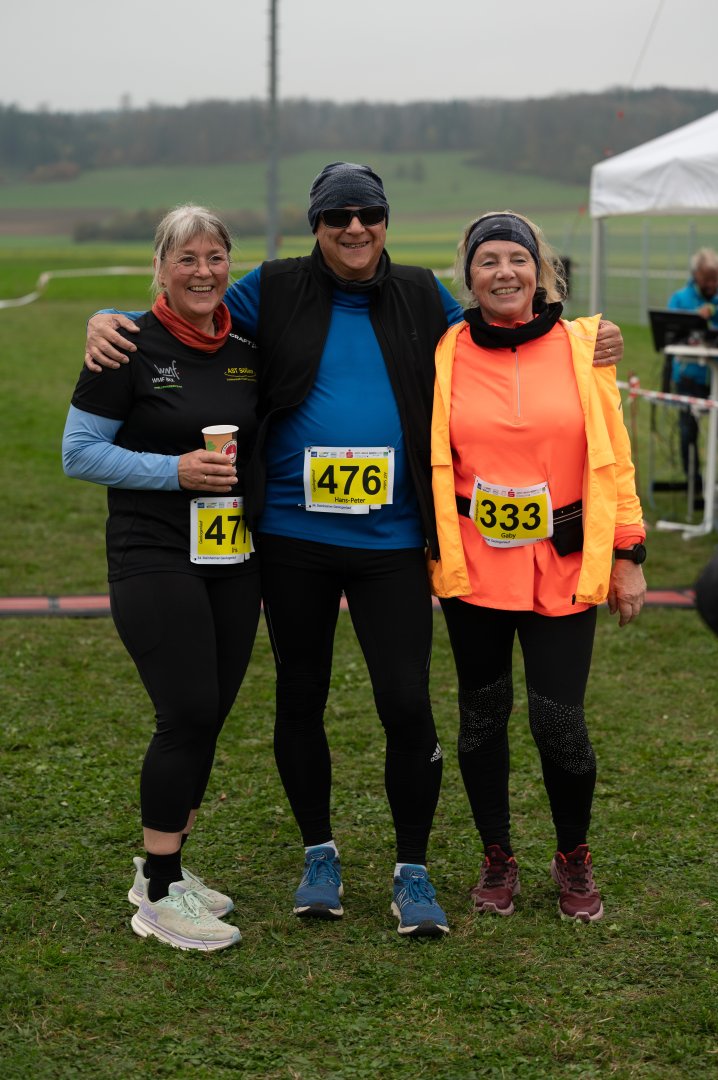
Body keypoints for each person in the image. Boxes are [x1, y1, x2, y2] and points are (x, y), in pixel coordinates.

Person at [83, 164, 624, 938]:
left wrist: (581, 336)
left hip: (393, 540)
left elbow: (499, 329)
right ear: (317, 225)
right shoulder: (272, 287)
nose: (354, 227)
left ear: (386, 220)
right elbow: (187, 307)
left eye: (368, 212)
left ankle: (412, 868)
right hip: (293, 539)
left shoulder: (420, 293)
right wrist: (108, 318)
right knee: (300, 698)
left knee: (405, 702)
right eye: (337, 215)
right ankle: (319, 854)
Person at [429, 211, 646, 924]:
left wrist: (629, 553)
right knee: (482, 717)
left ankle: (573, 855)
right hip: (476, 568)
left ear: (540, 270)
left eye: (517, 259)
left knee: (560, 722)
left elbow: (615, 458)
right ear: (469, 276)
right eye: (488, 260)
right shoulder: (446, 349)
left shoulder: (585, 347)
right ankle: (497, 855)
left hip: (563, 563)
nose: (504, 272)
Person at [62, 205, 261, 951]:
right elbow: (79, 452)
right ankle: (158, 894)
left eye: (214, 257)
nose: (203, 272)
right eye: (186, 259)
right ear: (160, 268)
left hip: (230, 553)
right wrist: (172, 471)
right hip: (151, 549)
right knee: (186, 712)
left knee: (210, 713)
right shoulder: (125, 345)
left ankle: (164, 872)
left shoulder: (246, 344)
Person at [667, 248, 718, 498]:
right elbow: (669, 332)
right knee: (688, 430)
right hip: (689, 377)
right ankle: (693, 482)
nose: (712, 284)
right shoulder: (680, 299)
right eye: (708, 278)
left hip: (715, 377)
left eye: (715, 278)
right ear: (696, 275)